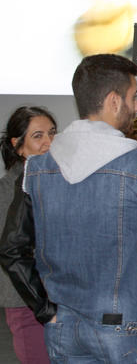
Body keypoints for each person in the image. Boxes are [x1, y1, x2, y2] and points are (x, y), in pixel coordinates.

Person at [0, 54, 137, 362]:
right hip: (127, 328)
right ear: (114, 101)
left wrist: (45, 310)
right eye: (133, 96)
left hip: (63, 326)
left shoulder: (35, 169)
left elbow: (11, 248)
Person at [0, 106, 56, 364]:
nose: (48, 143)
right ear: (17, 144)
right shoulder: (8, 189)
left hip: (57, 298)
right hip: (26, 301)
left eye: (52, 134)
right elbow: (12, 252)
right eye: (38, 136)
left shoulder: (50, 181)